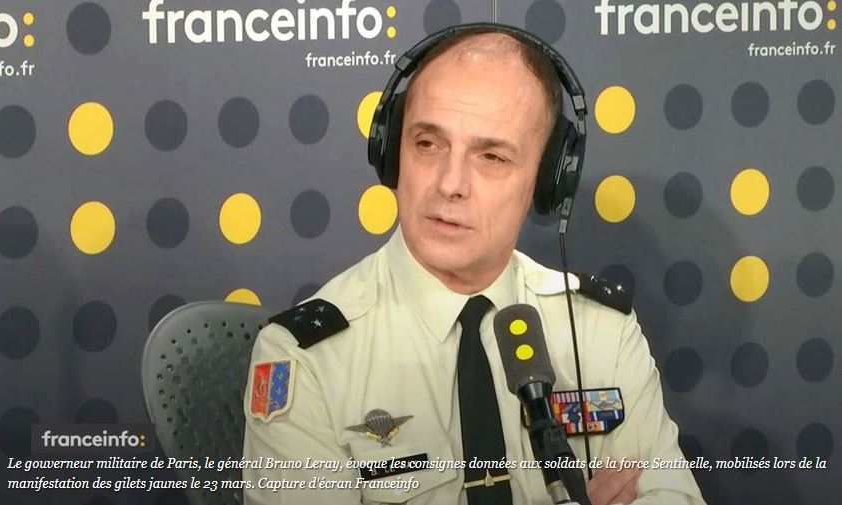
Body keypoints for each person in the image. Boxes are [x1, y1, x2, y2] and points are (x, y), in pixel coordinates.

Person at [242, 24, 706, 505]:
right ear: (392, 151)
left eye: (491, 157)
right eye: (427, 144)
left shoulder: (600, 330)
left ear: (547, 179)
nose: (450, 183)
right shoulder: (305, 357)